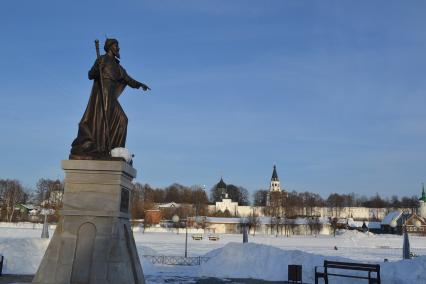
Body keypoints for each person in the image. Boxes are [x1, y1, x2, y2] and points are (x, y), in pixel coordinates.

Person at [70, 39, 150, 160]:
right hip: (102, 95)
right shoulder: (102, 59)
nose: (118, 49)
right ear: (110, 47)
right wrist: (97, 67)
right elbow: (90, 75)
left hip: (111, 97)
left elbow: (128, 79)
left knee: (123, 120)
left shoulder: (118, 67)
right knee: (102, 121)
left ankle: (115, 151)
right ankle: (102, 149)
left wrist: (140, 84)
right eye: (116, 46)